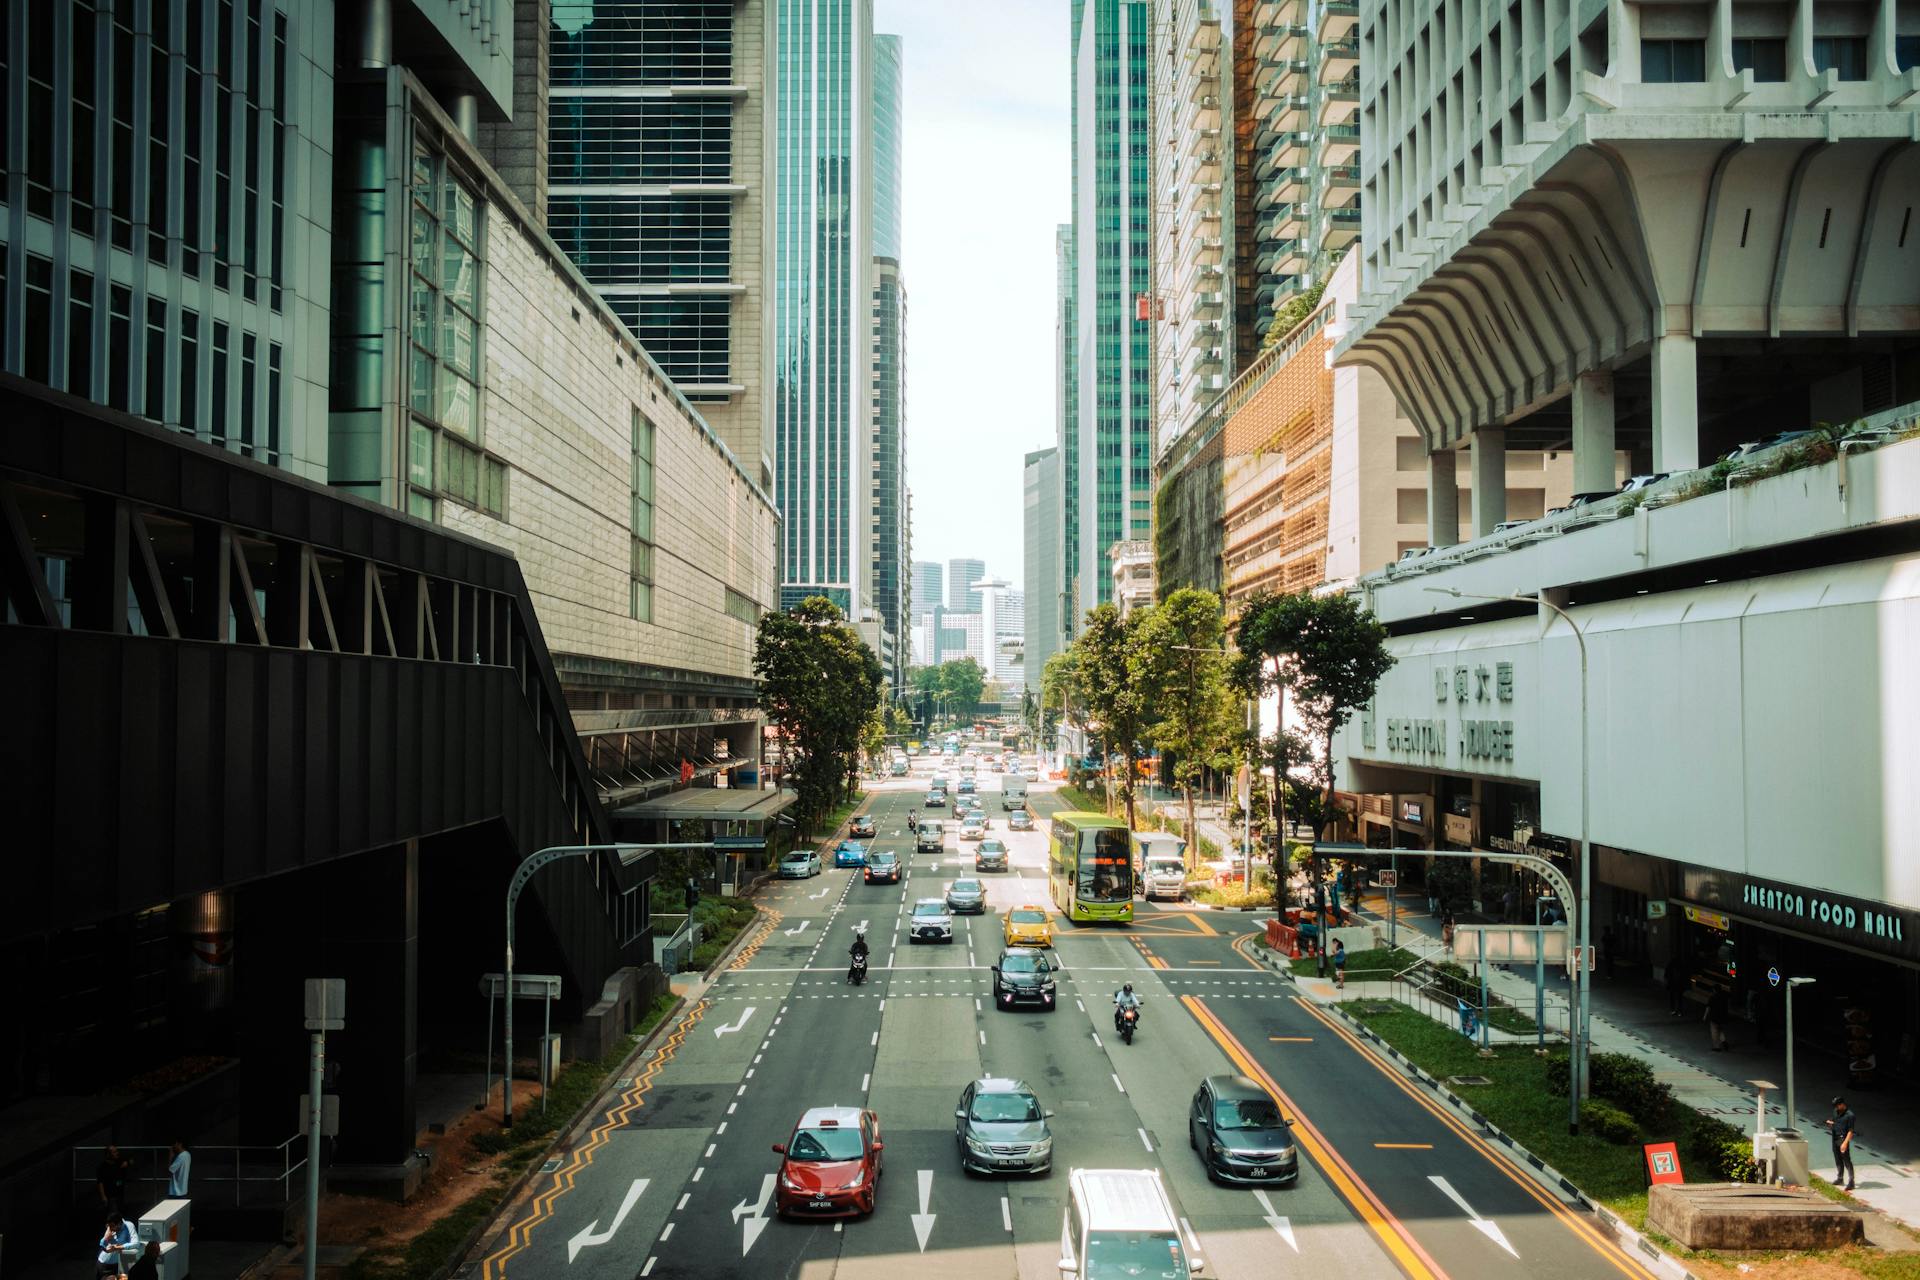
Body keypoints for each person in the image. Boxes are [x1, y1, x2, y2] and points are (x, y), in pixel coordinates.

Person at [1827, 1097, 1857, 1191]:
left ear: (1842, 1104)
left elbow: (1851, 1131)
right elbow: (1834, 1120)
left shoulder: (1850, 1115)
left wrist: (1845, 1143)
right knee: (1838, 1159)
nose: (1836, 1107)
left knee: (1846, 1160)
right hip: (1835, 1137)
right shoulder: (1835, 1111)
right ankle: (1840, 1178)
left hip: (1843, 1139)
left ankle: (1851, 1181)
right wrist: (1830, 1123)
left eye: (1837, 1105)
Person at [95, 1145, 131, 1214]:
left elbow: (132, 1160)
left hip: (120, 1193)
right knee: (113, 1213)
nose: (117, 1153)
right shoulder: (102, 1167)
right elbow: (100, 1182)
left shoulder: (119, 1162)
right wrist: (103, 1196)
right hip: (111, 1195)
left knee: (121, 1211)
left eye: (117, 1151)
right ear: (108, 1154)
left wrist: (127, 1163)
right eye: (114, 1152)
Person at [1705, 985, 1731, 1051]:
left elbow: (1708, 1007)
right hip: (1722, 1016)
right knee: (1720, 1029)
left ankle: (1717, 1047)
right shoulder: (1724, 997)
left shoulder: (1712, 997)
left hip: (1714, 1016)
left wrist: (1705, 1016)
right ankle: (1724, 1041)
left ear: (1714, 990)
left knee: (1714, 1031)